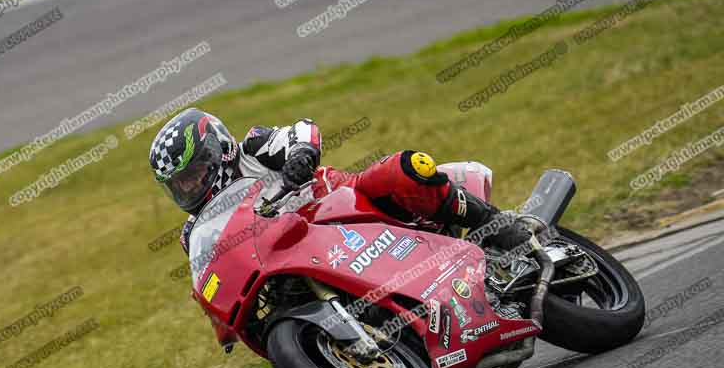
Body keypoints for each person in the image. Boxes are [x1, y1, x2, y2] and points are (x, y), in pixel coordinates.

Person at [147, 108, 528, 256]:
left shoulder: (254, 148)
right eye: (180, 184)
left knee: (405, 168)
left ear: (216, 150)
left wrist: (300, 156)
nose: (190, 187)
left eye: (193, 172)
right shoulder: (195, 232)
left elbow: (302, 128)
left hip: (351, 205)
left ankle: (499, 225)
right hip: (310, 255)